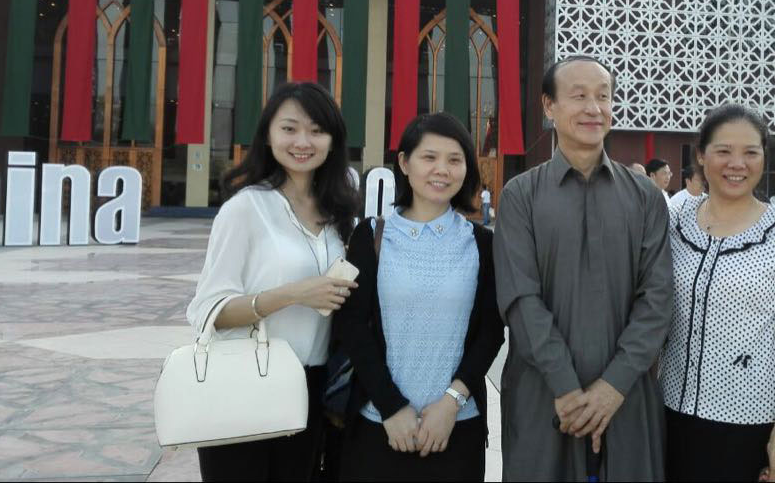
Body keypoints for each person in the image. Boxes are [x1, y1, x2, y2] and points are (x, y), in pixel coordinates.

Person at [494, 56, 673, 481]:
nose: (594, 108)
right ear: (549, 106)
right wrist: (567, 387)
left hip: (626, 395)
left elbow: (657, 298)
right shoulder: (520, 196)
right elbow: (520, 299)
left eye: (603, 97)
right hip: (543, 394)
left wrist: (612, 387)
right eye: (578, 96)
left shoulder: (645, 197)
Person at [187, 82, 360, 482]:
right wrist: (294, 293)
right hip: (246, 382)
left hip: (312, 386)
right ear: (268, 135)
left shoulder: (338, 214)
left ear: (333, 141)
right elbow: (209, 310)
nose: (303, 142)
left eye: (317, 130)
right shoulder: (246, 208)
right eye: (289, 128)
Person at [333, 113, 505, 481]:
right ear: (404, 163)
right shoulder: (372, 236)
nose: (442, 169)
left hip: (457, 428)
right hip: (379, 425)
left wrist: (451, 403)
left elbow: (491, 332)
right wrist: (392, 407)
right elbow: (353, 327)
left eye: (454, 159)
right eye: (429, 157)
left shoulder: (481, 244)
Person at [659, 104, 775, 482]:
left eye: (751, 152)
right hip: (671, 414)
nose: (737, 164)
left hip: (751, 422)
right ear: (701, 156)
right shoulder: (672, 221)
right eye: (724, 151)